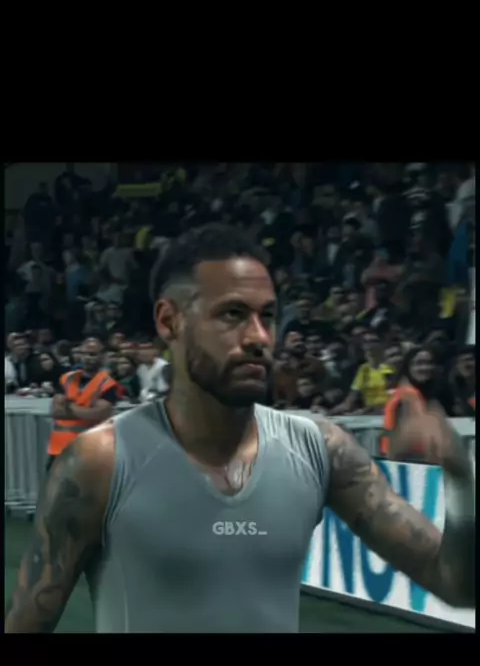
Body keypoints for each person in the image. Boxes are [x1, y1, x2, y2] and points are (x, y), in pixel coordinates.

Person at [5, 223, 475, 634]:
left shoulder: (319, 449)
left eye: (266, 316)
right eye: (232, 314)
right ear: (169, 321)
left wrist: (460, 476)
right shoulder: (101, 462)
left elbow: (457, 586)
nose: (259, 337)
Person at [45, 337, 119, 473]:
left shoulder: (107, 384)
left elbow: (98, 415)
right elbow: (56, 411)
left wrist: (69, 406)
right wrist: (84, 410)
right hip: (59, 448)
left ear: (103, 356)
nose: (86, 358)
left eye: (92, 354)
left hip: (89, 449)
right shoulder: (66, 378)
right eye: (83, 353)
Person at [380, 346, 437, 458]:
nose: (425, 367)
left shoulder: (425, 392)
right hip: (408, 458)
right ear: (408, 367)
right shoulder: (407, 395)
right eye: (419, 363)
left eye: (429, 363)